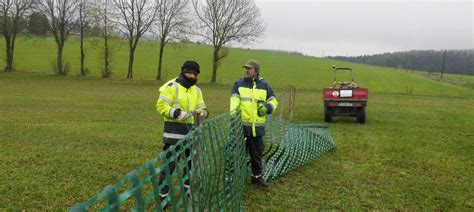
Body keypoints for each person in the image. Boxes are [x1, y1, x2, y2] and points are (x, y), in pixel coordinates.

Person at [156, 60, 208, 200]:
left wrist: (204, 113)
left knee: (190, 166)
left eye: (194, 74)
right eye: (189, 72)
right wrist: (177, 113)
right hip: (173, 135)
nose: (192, 76)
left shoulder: (197, 90)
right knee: (169, 167)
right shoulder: (171, 86)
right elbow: (161, 106)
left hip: (192, 135)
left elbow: (203, 107)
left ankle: (187, 192)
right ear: (183, 71)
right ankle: (162, 197)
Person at [229, 59, 278, 188]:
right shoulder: (238, 84)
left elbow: (273, 101)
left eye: (249, 68)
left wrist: (268, 108)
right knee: (239, 155)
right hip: (241, 128)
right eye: (245, 68)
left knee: (256, 155)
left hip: (258, 129)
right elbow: (234, 102)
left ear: (256, 70)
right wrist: (234, 119)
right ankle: (235, 180)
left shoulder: (264, 85)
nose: (246, 70)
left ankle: (256, 178)